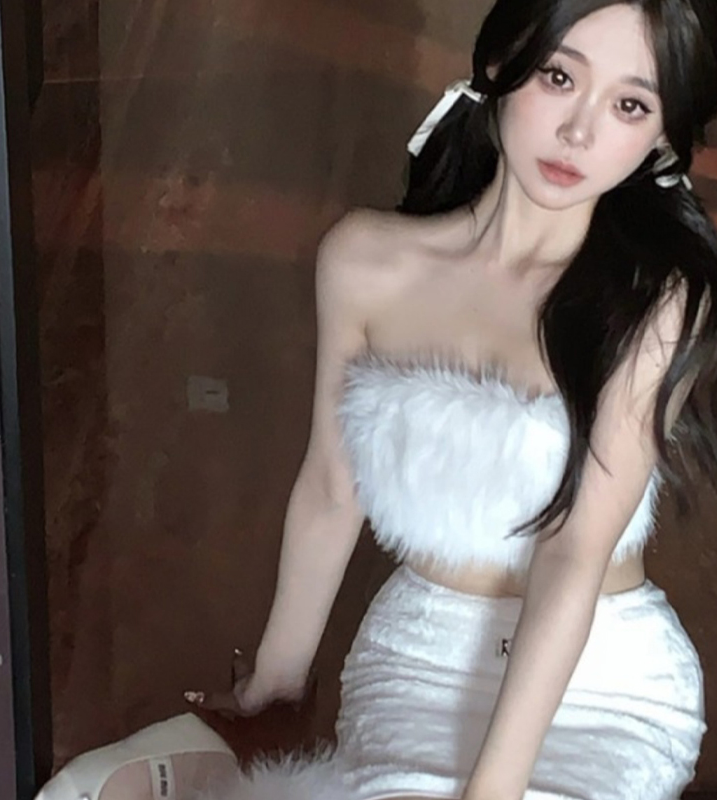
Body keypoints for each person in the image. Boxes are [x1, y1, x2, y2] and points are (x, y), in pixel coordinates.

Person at [37, 0, 717, 798]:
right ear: (500, 66)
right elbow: (332, 488)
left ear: (658, 139)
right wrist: (272, 695)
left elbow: (574, 553)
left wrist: (491, 791)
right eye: (558, 77)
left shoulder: (656, 300)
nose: (580, 131)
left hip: (604, 682)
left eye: (630, 105)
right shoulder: (365, 263)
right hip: (417, 661)